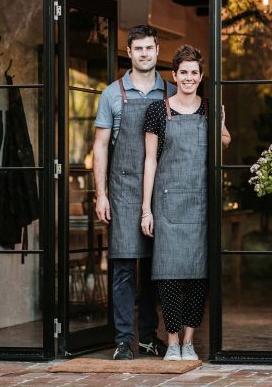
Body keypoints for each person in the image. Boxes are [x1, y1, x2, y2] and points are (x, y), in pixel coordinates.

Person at [140, 44, 231, 361]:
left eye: (194, 72)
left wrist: (220, 122)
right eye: (184, 72)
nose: (189, 77)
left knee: (197, 276)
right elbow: (150, 162)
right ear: (174, 75)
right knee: (167, 276)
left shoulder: (209, 109)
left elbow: (224, 143)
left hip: (200, 205)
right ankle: (173, 340)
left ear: (201, 76)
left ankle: (189, 342)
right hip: (167, 207)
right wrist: (145, 209)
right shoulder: (157, 111)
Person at [93, 25, 176, 360]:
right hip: (124, 191)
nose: (145, 54)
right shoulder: (112, 94)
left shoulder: (170, 92)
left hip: (163, 192)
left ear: (158, 51)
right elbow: (99, 147)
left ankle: (148, 336)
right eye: (138, 48)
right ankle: (123, 340)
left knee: (155, 270)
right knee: (124, 268)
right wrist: (101, 194)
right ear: (130, 52)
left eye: (150, 48)